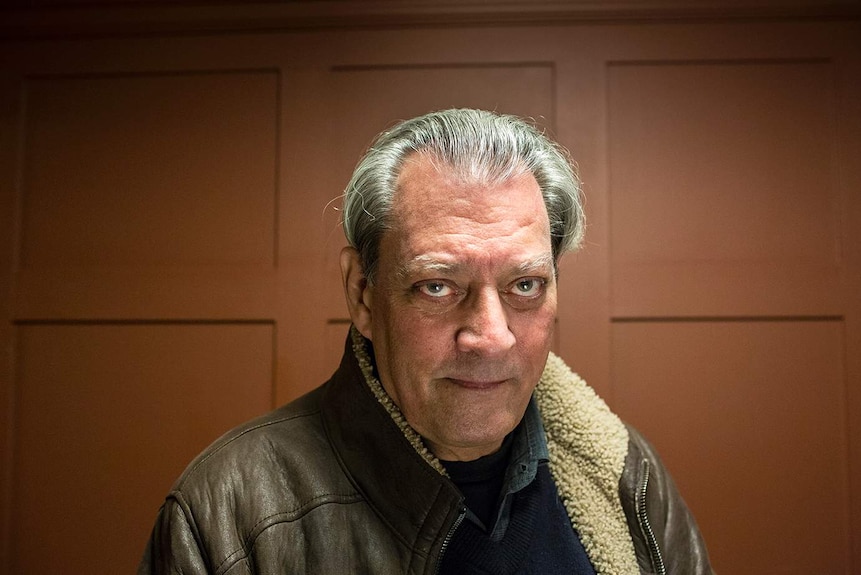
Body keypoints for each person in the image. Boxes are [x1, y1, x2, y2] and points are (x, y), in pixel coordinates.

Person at [139, 108, 713, 574]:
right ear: (364, 293)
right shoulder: (229, 511)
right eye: (437, 286)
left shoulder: (625, 474)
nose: (490, 336)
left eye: (525, 285)